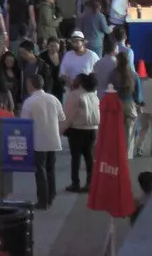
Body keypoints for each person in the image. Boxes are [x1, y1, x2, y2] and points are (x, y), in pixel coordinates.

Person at [21, 75, 65, 209]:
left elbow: (24, 123)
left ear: (31, 84)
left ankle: (42, 201)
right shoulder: (53, 98)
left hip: (38, 140)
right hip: (53, 138)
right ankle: (51, 195)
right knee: (51, 168)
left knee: (40, 170)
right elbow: (62, 117)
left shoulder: (29, 102)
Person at [63, 73, 100, 192]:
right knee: (89, 156)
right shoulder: (94, 95)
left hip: (77, 130)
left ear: (80, 82)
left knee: (76, 158)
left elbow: (67, 115)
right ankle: (91, 183)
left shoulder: (75, 95)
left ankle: (75, 183)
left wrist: (61, 129)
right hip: (93, 129)